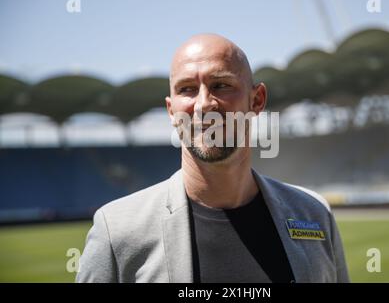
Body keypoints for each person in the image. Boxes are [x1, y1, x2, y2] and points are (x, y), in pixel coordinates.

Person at [76, 33, 349, 283]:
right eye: (186, 89)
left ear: (257, 100)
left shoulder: (314, 214)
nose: (204, 104)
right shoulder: (117, 231)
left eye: (221, 85)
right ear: (171, 111)